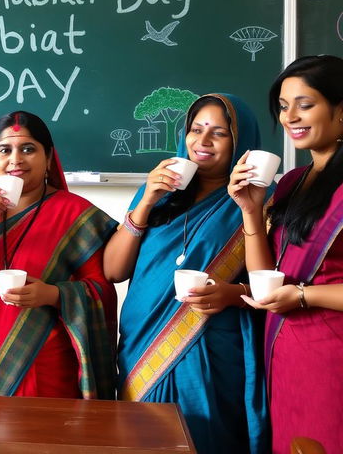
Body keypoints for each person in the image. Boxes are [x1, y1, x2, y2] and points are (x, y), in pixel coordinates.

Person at [105, 94, 270, 454]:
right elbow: (113, 270)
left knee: (207, 439)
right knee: (140, 441)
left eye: (219, 133)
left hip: (208, 347)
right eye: (196, 129)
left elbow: (268, 283)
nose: (203, 141)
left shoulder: (260, 200)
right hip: (141, 343)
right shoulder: (160, 192)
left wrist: (232, 293)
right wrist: (147, 201)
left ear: (241, 143)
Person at [0, 110, 117, 399]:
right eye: (5, 150)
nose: (16, 159)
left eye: (28, 149)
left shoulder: (75, 213)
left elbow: (102, 291)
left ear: (49, 157)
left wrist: (52, 294)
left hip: (49, 364)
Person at [228, 55, 343, 453]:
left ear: (341, 108)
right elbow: (266, 277)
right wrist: (250, 209)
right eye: (282, 105)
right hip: (286, 353)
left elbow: (295, 289)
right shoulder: (293, 181)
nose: (290, 116)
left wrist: (303, 295)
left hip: (333, 357)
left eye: (305, 104)